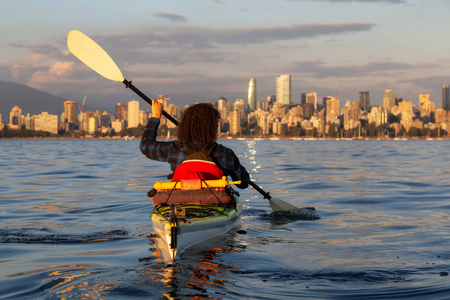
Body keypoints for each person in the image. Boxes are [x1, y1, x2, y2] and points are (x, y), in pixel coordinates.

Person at [140, 100, 249, 189]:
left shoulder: (174, 148)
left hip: (181, 202)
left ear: (185, 126)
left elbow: (145, 146)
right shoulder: (226, 154)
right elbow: (243, 184)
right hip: (214, 203)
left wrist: (155, 117)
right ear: (213, 128)